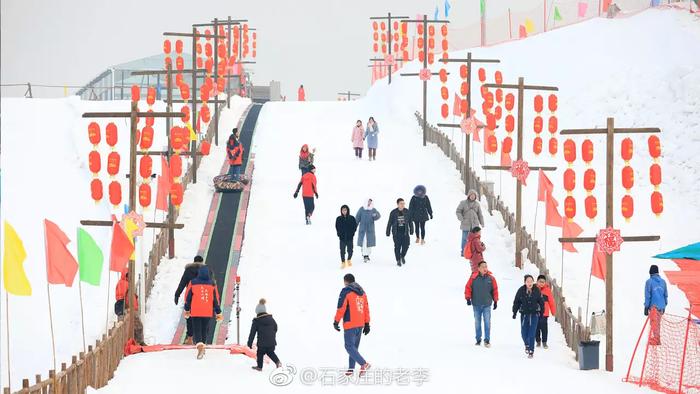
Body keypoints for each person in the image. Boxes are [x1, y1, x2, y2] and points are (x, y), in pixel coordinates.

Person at [174, 256, 218, 345]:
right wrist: (216, 303)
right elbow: (213, 284)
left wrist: (177, 294)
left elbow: (182, 283)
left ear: (194, 261)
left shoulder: (188, 270)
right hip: (204, 298)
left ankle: (190, 338)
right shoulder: (208, 271)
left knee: (190, 318)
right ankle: (203, 340)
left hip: (191, 296)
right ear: (202, 261)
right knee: (205, 319)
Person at [333, 274, 371, 377]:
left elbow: (341, 307)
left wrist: (336, 321)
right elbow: (366, 309)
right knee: (354, 348)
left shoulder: (346, 291)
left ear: (345, 281)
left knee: (349, 346)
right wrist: (367, 324)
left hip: (350, 324)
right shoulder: (362, 293)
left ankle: (364, 364)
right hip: (360, 324)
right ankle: (351, 369)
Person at [184, 267, 222, 359]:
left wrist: (187, 309)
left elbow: (188, 298)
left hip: (196, 311)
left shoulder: (192, 283)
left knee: (197, 329)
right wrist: (218, 312)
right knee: (204, 329)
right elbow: (215, 299)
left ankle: (200, 347)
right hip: (207, 311)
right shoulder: (212, 284)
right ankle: (203, 346)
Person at [465, 261, 499, 347]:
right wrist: (468, 298)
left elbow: (495, 290)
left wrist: (495, 301)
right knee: (477, 322)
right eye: (483, 267)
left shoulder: (491, 279)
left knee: (487, 322)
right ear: (478, 268)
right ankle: (478, 339)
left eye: (486, 266)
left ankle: (487, 340)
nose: (485, 268)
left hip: (487, 304)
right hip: (476, 304)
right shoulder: (473, 278)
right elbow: (468, 288)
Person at [512, 275, 544, 358]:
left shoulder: (536, 290)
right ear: (525, 282)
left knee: (532, 333)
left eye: (531, 281)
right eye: (528, 281)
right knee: (523, 332)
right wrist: (514, 312)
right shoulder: (521, 290)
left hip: (534, 314)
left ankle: (531, 350)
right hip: (524, 313)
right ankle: (526, 344)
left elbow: (541, 302)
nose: (530, 283)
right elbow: (516, 302)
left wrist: (542, 312)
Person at [247, 299, 282, 371]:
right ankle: (278, 362)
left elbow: (252, 333)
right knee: (270, 352)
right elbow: (276, 328)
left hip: (262, 342)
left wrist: (249, 343)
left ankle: (259, 367)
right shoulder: (271, 319)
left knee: (260, 353)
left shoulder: (256, 321)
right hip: (271, 341)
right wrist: (271, 334)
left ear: (257, 312)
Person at [115, 271, 145, 345]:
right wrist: (127, 308)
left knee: (132, 327)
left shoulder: (125, 283)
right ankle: (138, 343)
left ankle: (135, 343)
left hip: (130, 308)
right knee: (137, 326)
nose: (130, 277)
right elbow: (122, 297)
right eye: (128, 275)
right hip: (129, 309)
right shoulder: (123, 283)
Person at [456, 189, 484, 256]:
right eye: (471, 195)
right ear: (469, 195)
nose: (472, 196)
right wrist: (461, 219)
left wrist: (482, 223)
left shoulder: (477, 204)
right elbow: (458, 211)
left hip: (475, 225)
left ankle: (473, 252)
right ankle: (463, 252)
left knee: (475, 240)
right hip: (466, 224)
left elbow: (480, 214)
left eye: (474, 195)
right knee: (465, 239)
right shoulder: (463, 203)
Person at [386, 198, 414, 267]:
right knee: (397, 247)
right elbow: (389, 222)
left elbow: (410, 222)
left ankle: (402, 256)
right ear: (398, 204)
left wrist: (411, 230)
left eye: (403, 203)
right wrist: (388, 231)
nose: (403, 205)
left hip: (405, 232)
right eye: (401, 203)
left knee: (406, 246)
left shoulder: (407, 211)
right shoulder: (393, 212)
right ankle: (398, 260)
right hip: (396, 233)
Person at [645, 264, 668, 346]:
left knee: (654, 323)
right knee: (658, 323)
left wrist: (646, 306)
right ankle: (657, 337)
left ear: (650, 272)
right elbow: (665, 294)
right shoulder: (663, 282)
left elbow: (648, 295)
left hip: (653, 307)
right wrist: (665, 304)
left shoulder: (649, 282)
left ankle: (656, 339)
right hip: (661, 306)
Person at [356, 198, 381, 263]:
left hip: (370, 230)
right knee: (364, 242)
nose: (369, 203)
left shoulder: (373, 209)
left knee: (369, 243)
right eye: (368, 201)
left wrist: (375, 215)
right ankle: (365, 255)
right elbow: (357, 218)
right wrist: (354, 227)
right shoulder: (362, 209)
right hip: (363, 230)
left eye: (370, 201)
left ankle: (367, 254)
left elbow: (378, 216)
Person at [535, 274, 556, 349]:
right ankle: (538, 341)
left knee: (544, 327)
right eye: (540, 281)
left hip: (544, 313)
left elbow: (551, 301)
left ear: (545, 283)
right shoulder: (534, 289)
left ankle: (544, 342)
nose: (541, 283)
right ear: (537, 282)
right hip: (535, 312)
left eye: (543, 282)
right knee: (536, 327)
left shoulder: (547, 290)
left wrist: (553, 311)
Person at [336, 205, 358, 269]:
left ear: (347, 210)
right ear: (341, 211)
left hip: (350, 238)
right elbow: (337, 227)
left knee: (350, 250)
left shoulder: (352, 218)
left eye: (345, 210)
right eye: (343, 210)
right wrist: (339, 234)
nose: (344, 211)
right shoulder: (338, 218)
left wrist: (352, 233)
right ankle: (343, 262)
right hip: (342, 238)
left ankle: (349, 259)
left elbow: (355, 227)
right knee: (342, 250)